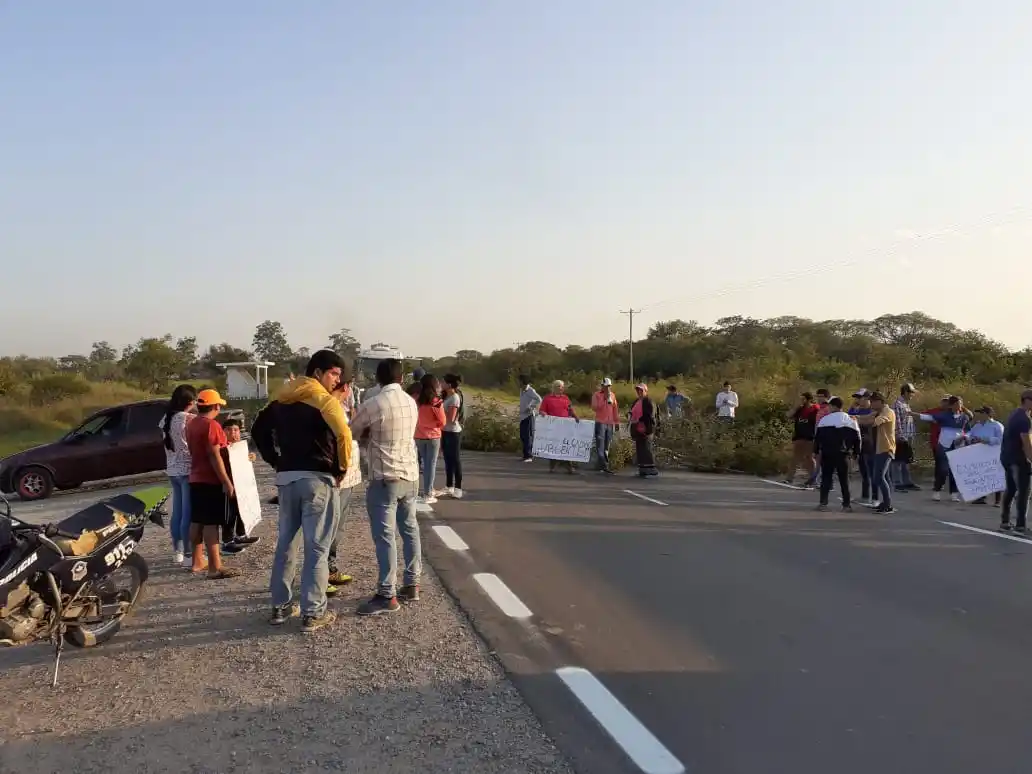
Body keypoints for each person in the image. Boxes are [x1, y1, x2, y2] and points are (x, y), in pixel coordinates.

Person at [251, 349, 352, 633]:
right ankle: (313, 612)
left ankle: (280, 606)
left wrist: (276, 460)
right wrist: (341, 468)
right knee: (317, 548)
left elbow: (258, 430)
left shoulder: (282, 398)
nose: (337, 380)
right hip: (317, 479)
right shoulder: (324, 401)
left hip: (287, 479)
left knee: (286, 544)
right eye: (334, 374)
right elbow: (344, 435)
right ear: (318, 372)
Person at [350, 358, 420, 616]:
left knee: (385, 537)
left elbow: (351, 432)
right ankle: (412, 583)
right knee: (410, 529)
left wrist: (369, 436)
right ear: (401, 378)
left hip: (385, 477)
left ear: (377, 379)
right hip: (410, 475)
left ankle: (387, 594)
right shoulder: (411, 402)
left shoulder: (374, 403)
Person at [185, 389, 240, 579]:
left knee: (197, 520)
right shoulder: (212, 425)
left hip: (195, 477)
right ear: (215, 406)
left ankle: (197, 561)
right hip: (210, 479)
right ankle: (215, 567)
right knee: (211, 523)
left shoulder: (191, 423)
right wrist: (226, 481)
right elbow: (214, 455)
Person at [915, 395, 971, 502]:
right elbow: (929, 417)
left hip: (958, 444)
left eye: (960, 404)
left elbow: (968, 431)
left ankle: (954, 493)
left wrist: (965, 437)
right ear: (952, 405)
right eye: (957, 404)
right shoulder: (944, 415)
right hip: (944, 444)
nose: (959, 406)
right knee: (943, 469)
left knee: (955, 470)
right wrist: (913, 414)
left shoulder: (964, 417)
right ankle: (937, 490)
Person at [219, 418, 261, 555]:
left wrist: (251, 457)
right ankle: (227, 541)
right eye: (229, 430)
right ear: (223, 432)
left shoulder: (240, 447)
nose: (233, 433)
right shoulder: (221, 448)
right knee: (229, 515)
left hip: (242, 486)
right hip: (229, 486)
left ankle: (241, 535)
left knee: (242, 510)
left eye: (236, 430)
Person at [813, 397, 861, 511]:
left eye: (829, 406)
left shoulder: (824, 420)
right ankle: (846, 505)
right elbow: (857, 438)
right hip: (843, 454)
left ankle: (823, 504)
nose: (828, 408)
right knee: (844, 480)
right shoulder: (850, 420)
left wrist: (816, 451)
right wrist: (856, 452)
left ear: (833, 406)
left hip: (827, 453)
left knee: (826, 478)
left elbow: (818, 438)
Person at [854, 392, 896, 514]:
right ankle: (886, 502)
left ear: (880, 402)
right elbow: (866, 418)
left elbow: (874, 422)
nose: (871, 404)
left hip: (885, 448)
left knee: (878, 477)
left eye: (873, 401)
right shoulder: (877, 412)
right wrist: (853, 417)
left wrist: (859, 420)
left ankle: (887, 505)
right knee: (883, 477)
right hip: (878, 449)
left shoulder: (887, 412)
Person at [999, 390, 1032, 533]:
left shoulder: (1014, 414)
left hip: (1007, 457)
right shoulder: (1024, 419)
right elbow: (1026, 443)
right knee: (1023, 491)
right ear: (1026, 400)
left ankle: (1005, 521)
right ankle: (1020, 525)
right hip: (1018, 459)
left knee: (1011, 489)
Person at [414, 374, 446, 504]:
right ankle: (428, 493)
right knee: (430, 465)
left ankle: (423, 490)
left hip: (418, 435)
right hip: (433, 436)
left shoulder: (416, 401)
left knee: (421, 464)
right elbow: (442, 421)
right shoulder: (436, 402)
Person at [539, 380, 579, 473]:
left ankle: (569, 466)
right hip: (553, 426)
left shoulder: (565, 398)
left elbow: (570, 409)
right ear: (554, 387)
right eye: (559, 386)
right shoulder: (548, 398)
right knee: (554, 446)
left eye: (562, 386)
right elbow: (541, 410)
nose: (561, 388)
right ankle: (553, 466)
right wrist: (543, 413)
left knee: (565, 446)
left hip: (565, 426)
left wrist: (575, 416)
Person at [967, 406, 1004, 506]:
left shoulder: (997, 425)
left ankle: (997, 500)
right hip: (979, 452)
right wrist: (970, 439)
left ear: (988, 414)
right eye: (979, 413)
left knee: (995, 476)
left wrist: (986, 440)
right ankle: (981, 497)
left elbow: (1001, 439)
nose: (979, 415)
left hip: (992, 453)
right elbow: (970, 434)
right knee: (981, 474)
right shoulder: (977, 426)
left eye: (982, 413)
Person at [847, 390, 876, 506]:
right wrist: (852, 409)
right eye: (856, 398)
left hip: (870, 443)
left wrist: (856, 418)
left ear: (868, 398)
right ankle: (865, 495)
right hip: (859, 443)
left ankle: (874, 497)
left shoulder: (873, 410)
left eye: (860, 398)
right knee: (864, 471)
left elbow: (868, 421)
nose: (857, 400)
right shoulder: (857, 409)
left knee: (871, 471)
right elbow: (848, 419)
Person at [785, 392, 819, 487]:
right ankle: (789, 478)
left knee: (809, 458)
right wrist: (796, 407)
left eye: (803, 399)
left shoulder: (815, 409)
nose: (802, 401)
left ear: (809, 399)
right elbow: (788, 415)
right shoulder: (800, 409)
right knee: (795, 458)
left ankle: (813, 478)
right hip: (799, 436)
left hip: (810, 437)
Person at [891, 383, 920, 491]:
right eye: (912, 393)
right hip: (900, 436)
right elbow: (897, 421)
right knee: (897, 460)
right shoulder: (897, 404)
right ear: (906, 392)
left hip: (907, 435)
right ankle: (897, 483)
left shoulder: (905, 404)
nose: (913, 395)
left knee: (905, 460)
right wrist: (899, 435)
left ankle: (906, 481)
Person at [441, 374, 465, 498]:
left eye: (443, 382)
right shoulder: (446, 396)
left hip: (453, 432)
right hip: (445, 431)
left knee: (455, 459)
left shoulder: (455, 398)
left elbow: (451, 419)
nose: (441, 384)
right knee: (447, 459)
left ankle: (458, 488)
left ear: (449, 384)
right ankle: (449, 485)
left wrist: (439, 414)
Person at [590, 378, 620, 474]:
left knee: (607, 445)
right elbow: (594, 407)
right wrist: (604, 399)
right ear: (602, 386)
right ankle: (604, 466)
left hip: (610, 423)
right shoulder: (596, 395)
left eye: (609, 386)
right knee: (600, 445)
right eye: (606, 386)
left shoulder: (613, 395)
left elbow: (615, 409)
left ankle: (602, 465)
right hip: (600, 423)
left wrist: (617, 422)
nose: (608, 388)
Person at [629, 384, 659, 477]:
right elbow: (632, 411)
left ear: (645, 391)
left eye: (641, 390)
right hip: (637, 428)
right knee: (640, 449)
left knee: (646, 448)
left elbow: (651, 415)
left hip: (646, 427)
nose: (639, 392)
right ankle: (643, 470)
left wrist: (641, 420)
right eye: (638, 390)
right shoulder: (636, 401)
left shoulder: (648, 401)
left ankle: (651, 469)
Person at [518, 375, 542, 462]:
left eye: (520, 381)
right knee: (522, 436)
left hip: (529, 416)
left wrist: (531, 407)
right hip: (522, 416)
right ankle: (525, 455)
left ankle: (529, 456)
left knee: (528, 436)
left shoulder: (530, 390)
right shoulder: (521, 390)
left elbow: (539, 399)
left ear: (523, 382)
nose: (518, 383)